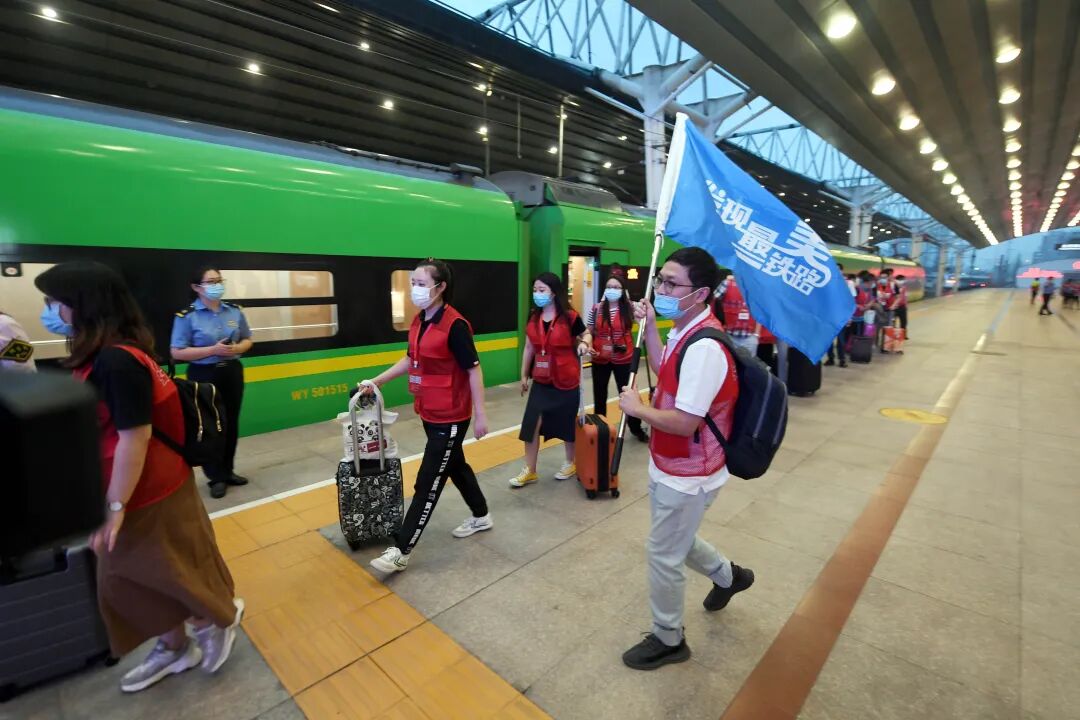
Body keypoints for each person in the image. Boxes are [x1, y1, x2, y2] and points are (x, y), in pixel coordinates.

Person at [34, 261, 243, 694]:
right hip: (133, 486)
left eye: (56, 301)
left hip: (148, 489)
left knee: (162, 571)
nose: (51, 310)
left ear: (83, 304)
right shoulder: (111, 353)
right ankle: (174, 644)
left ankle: (210, 623)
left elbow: (134, 436)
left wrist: (115, 506)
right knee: (141, 575)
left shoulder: (116, 360)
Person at [616, 247, 754, 671]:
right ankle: (730, 576)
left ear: (702, 293)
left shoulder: (706, 347)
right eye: (661, 280)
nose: (661, 289)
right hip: (670, 462)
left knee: (663, 553)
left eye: (672, 284)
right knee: (675, 538)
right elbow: (665, 369)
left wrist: (638, 410)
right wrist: (649, 329)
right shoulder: (685, 329)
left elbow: (685, 421)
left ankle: (668, 638)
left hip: (691, 471)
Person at [363, 259, 492, 574]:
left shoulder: (455, 326)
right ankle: (481, 515)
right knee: (455, 465)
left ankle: (401, 550)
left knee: (429, 481)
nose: (415, 289)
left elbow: (473, 371)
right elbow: (411, 358)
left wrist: (480, 415)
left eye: (421, 284)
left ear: (440, 287)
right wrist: (378, 381)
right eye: (413, 283)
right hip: (430, 411)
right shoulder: (420, 320)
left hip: (451, 417)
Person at [170, 267, 254, 499]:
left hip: (231, 372)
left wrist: (237, 348)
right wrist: (213, 350)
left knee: (231, 423)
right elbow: (177, 351)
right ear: (196, 287)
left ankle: (228, 471)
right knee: (210, 425)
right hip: (203, 374)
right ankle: (215, 477)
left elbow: (248, 339)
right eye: (211, 282)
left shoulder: (234, 311)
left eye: (219, 280)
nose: (217, 285)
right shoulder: (187, 316)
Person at [510, 272, 591, 488]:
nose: (537, 294)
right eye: (535, 290)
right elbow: (529, 347)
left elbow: (586, 334)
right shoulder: (533, 317)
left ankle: (570, 463)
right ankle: (530, 470)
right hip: (542, 379)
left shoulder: (570, 317)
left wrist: (585, 343)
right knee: (531, 424)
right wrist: (524, 374)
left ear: (554, 293)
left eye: (542, 290)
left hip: (566, 379)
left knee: (566, 423)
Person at [587, 266, 647, 443]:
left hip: (624, 358)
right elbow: (589, 330)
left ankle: (635, 428)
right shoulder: (596, 308)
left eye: (616, 287)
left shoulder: (630, 307)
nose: (612, 290)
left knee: (629, 394)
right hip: (600, 358)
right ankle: (601, 429)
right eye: (609, 287)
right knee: (599, 395)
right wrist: (587, 343)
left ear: (622, 290)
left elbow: (644, 324)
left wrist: (644, 333)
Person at [715, 271, 761, 356]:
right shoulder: (727, 283)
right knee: (730, 363)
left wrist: (756, 335)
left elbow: (759, 311)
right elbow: (712, 301)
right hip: (730, 336)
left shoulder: (755, 286)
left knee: (749, 364)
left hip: (749, 337)